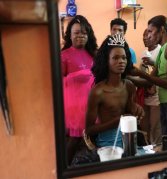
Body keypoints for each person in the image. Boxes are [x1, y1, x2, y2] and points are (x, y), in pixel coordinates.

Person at [129, 15, 167, 135]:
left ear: (161, 30)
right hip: (166, 104)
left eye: (151, 31)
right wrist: (127, 77)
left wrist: (141, 73)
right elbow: (148, 82)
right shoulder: (162, 50)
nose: (148, 35)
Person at [85, 34, 144, 148]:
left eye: (124, 57)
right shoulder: (98, 92)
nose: (121, 61)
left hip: (129, 138)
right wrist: (116, 122)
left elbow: (131, 112)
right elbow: (89, 130)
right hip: (108, 143)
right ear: (106, 61)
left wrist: (137, 111)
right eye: (115, 58)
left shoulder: (129, 86)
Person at [61, 15, 98, 164]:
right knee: (74, 141)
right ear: (69, 35)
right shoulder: (64, 55)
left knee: (92, 139)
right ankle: (64, 167)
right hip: (74, 110)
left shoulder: (93, 54)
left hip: (92, 105)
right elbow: (59, 82)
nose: (80, 36)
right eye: (76, 32)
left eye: (84, 32)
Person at [140, 29, 162, 144]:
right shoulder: (144, 52)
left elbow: (162, 72)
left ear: (156, 37)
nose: (145, 38)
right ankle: (148, 148)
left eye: (148, 36)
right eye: (143, 36)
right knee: (145, 125)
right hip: (145, 94)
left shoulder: (160, 51)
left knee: (155, 126)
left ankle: (157, 149)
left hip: (156, 96)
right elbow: (143, 72)